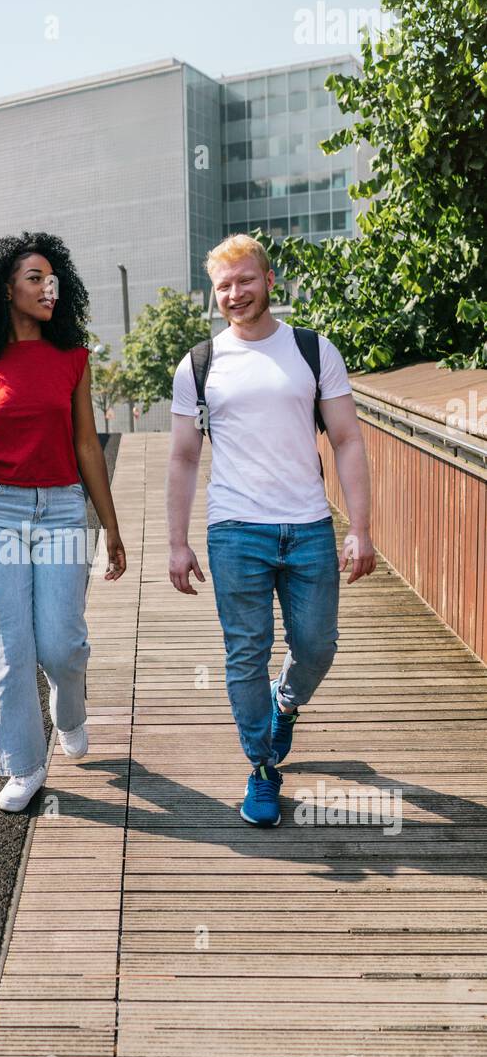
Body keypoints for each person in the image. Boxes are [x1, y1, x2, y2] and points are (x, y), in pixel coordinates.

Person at [166, 234, 376, 827]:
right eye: (224, 285)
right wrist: (177, 543)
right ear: (216, 293)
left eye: (246, 280)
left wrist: (359, 528)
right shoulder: (200, 364)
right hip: (235, 530)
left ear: (269, 280)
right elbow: (183, 457)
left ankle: (287, 701)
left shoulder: (312, 350)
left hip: (309, 524)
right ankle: (261, 767)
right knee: (245, 653)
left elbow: (348, 440)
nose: (236, 293)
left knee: (317, 645)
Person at [0, 231, 127, 812]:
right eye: (34, 278)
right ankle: (23, 764)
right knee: (8, 648)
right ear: (6, 288)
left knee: (61, 644)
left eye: (52, 279)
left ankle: (71, 709)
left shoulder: (73, 358)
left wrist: (110, 525)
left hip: (63, 508)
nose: (48, 289)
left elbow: (87, 444)